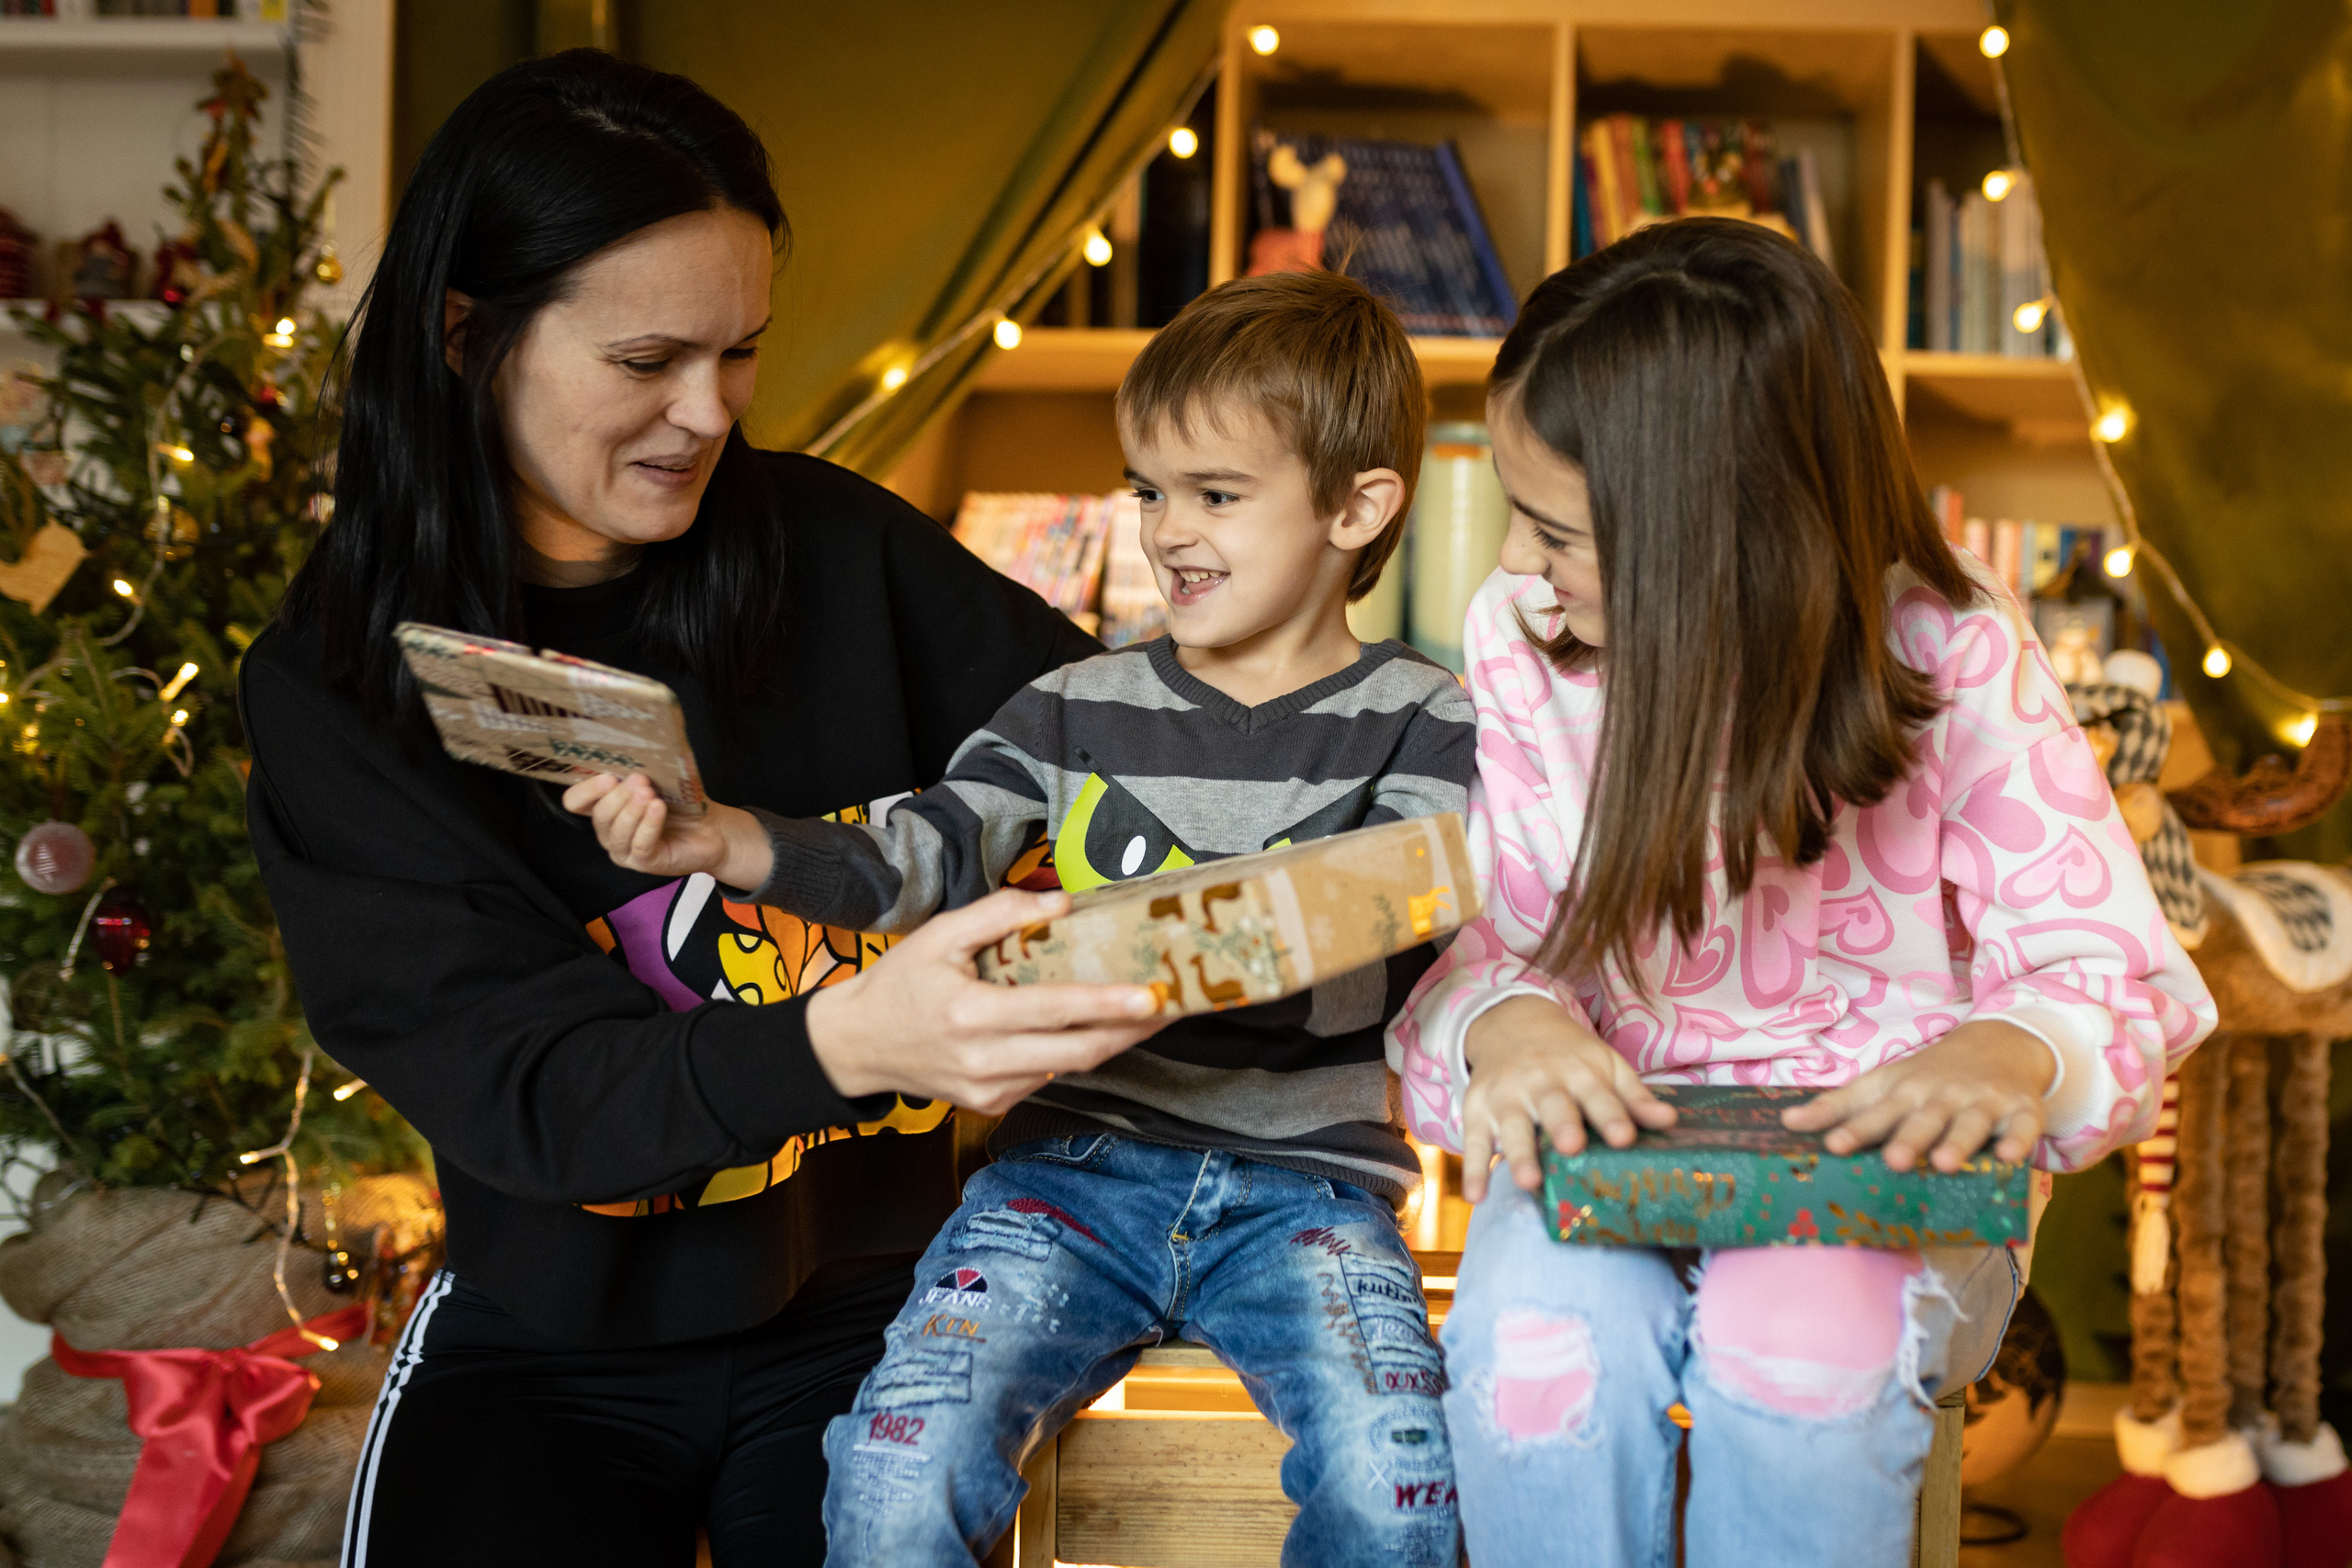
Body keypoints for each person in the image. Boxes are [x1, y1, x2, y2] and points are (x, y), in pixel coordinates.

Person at [243, 51, 1166, 1568]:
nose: (708, 412)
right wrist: (865, 1036)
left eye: (739, 352)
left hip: (880, 1308)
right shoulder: (337, 684)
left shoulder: (838, 548)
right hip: (550, 1332)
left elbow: (1137, 759)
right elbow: (540, 1092)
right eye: (646, 362)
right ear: (469, 336)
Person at [570, 269, 1476, 1568]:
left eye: (1217, 495)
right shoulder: (1070, 705)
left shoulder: (1428, 722)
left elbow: (1399, 941)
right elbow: (913, 861)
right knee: (894, 1475)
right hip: (1068, 1178)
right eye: (1148, 490)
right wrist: (723, 838)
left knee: (1401, 1491)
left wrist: (1164, 949)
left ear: (1357, 506)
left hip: (1309, 1192)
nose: (1169, 531)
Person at [1383, 219, 2219, 1568]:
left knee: (1796, 1350)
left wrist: (2008, 1052)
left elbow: (2102, 975)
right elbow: (1484, 945)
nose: (1519, 566)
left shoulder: (1958, 657)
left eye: (1557, 532)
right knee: (1543, 1356)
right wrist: (1508, 1026)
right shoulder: (1530, 641)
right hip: (1611, 1170)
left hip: (1889, 1198)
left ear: (1724, 544)